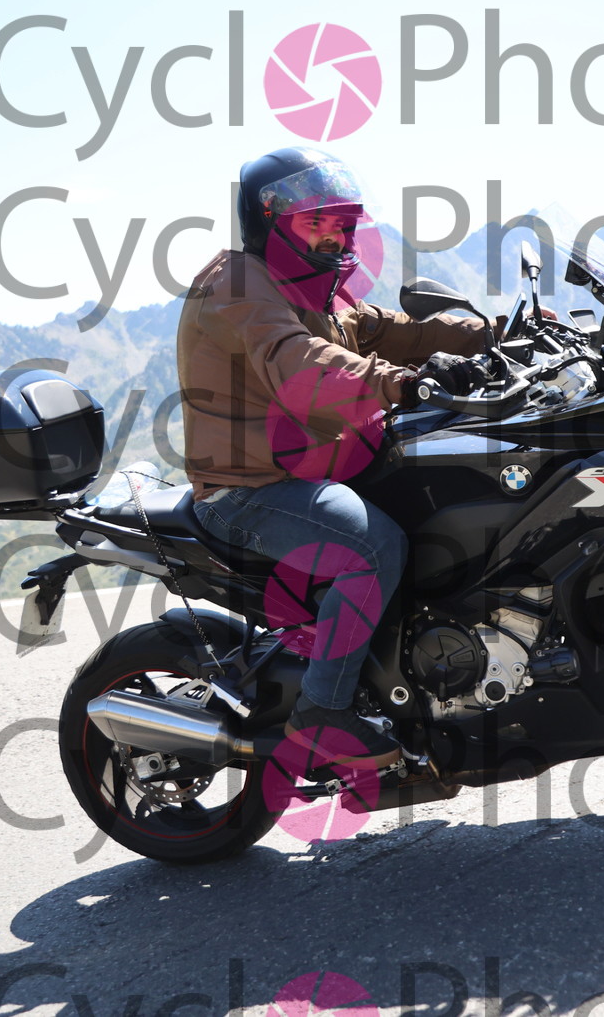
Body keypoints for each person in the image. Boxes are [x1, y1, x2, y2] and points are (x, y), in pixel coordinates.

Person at [176, 146, 489, 770]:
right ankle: (323, 714)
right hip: (249, 490)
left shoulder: (313, 291)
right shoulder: (239, 285)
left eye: (342, 225)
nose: (334, 237)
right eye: (316, 223)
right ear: (269, 222)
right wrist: (399, 383)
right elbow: (300, 362)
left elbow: (395, 330)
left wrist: (498, 333)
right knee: (372, 546)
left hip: (313, 469)